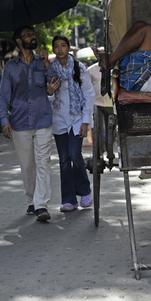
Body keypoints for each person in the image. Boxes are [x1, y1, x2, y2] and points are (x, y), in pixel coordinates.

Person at [0, 25, 56, 221]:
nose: (33, 37)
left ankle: (41, 205)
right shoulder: (11, 68)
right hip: (20, 122)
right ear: (19, 41)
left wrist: (47, 64)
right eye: (28, 35)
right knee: (28, 166)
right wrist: (4, 120)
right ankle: (32, 199)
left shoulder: (43, 62)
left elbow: (55, 83)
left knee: (43, 162)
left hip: (43, 119)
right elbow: (4, 96)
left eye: (33, 34)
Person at [46, 36, 95, 212]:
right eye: (56, 46)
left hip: (76, 119)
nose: (60, 49)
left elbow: (89, 93)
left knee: (75, 155)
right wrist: (50, 93)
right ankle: (69, 199)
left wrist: (85, 121)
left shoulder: (78, 68)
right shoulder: (50, 70)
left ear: (68, 48)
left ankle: (85, 191)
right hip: (58, 120)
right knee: (64, 160)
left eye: (63, 46)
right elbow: (47, 99)